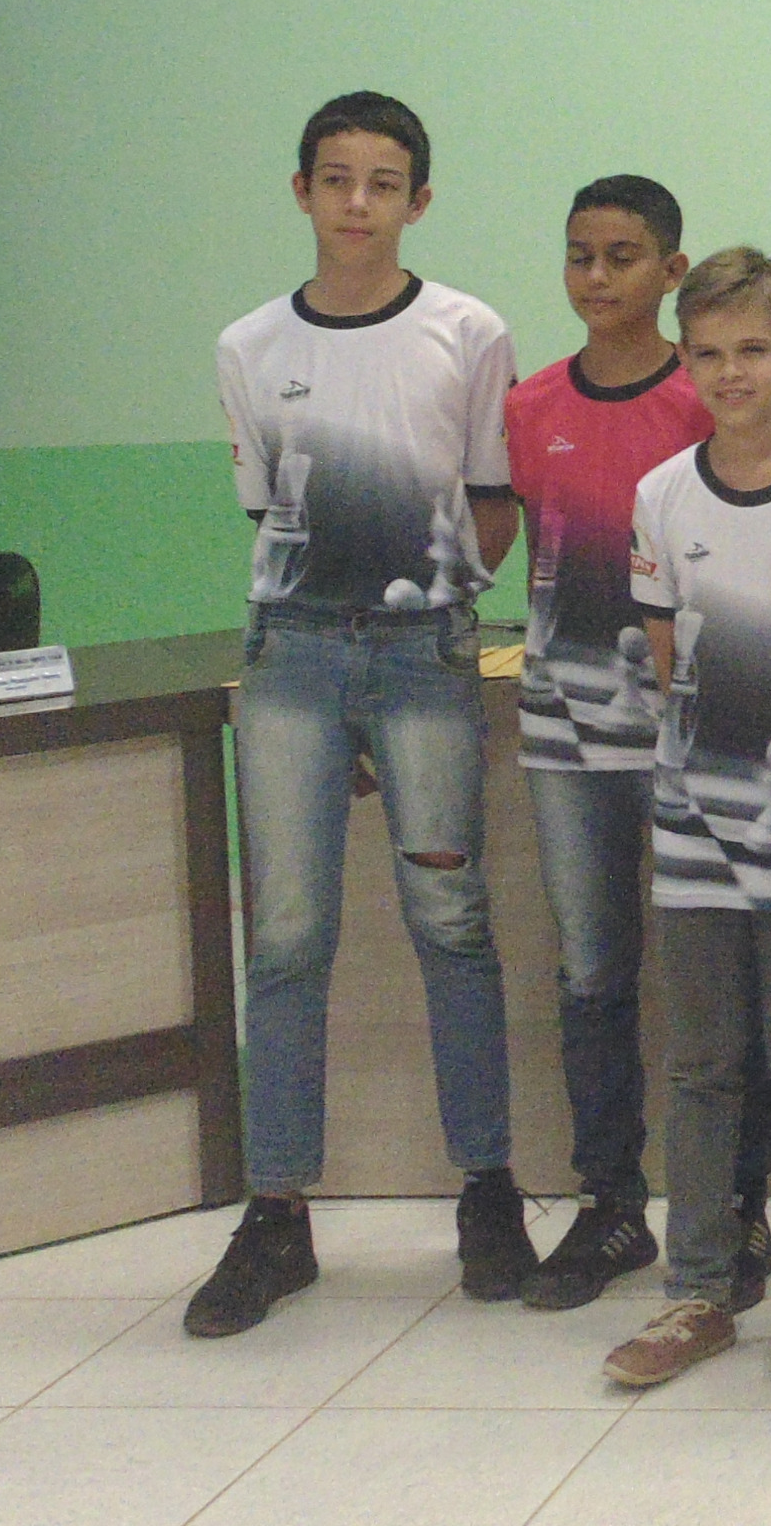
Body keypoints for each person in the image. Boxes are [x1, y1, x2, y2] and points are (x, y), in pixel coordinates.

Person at [191, 90, 531, 1335]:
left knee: (452, 921)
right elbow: (268, 512)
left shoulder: (468, 332)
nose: (356, 203)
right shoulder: (247, 345)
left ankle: (487, 1190)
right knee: (286, 935)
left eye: (383, 184)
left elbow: (491, 500)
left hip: (423, 657)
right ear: (301, 191)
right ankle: (276, 1213)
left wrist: (433, 600)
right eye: (335, 179)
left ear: (417, 201)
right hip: (290, 661)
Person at [601, 250, 771, 1389]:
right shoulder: (661, 495)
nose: (731, 373)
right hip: (692, 829)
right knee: (702, 1063)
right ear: (684, 360)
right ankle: (698, 1292)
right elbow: (672, 659)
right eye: (707, 354)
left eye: (752, 350)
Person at [497, 174, 724, 1314]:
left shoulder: (707, 399)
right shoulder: (529, 405)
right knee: (592, 973)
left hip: (696, 733)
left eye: (622, 256)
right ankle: (611, 1204)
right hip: (565, 737)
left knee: (711, 979)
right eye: (579, 254)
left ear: (671, 271)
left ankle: (731, 1208)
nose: (596, 277)